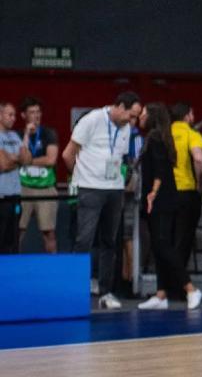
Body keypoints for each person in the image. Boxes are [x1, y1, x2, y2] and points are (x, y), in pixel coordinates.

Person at [64, 91, 142, 309]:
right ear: (119, 106)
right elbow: (68, 154)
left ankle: (106, 293)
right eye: (131, 115)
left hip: (114, 191)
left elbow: (121, 158)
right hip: (90, 189)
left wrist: (122, 180)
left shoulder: (126, 128)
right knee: (84, 240)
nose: (132, 121)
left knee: (110, 242)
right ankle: (75, 291)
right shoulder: (91, 120)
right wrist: (80, 178)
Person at [137, 103, 201, 309]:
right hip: (164, 196)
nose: (140, 116)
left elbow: (160, 170)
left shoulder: (156, 138)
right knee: (158, 246)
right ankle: (161, 294)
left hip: (160, 198)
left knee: (163, 244)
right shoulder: (161, 137)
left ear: (152, 116)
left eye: (144, 113)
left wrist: (152, 194)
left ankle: (190, 288)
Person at [17, 97, 61, 254]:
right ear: (23, 115)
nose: (36, 116)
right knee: (18, 232)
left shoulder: (49, 133)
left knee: (49, 233)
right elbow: (19, 157)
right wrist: (27, 136)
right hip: (23, 188)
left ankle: (53, 269)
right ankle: (12, 270)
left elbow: (51, 159)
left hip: (45, 189)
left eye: (38, 112)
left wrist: (27, 161)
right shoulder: (17, 135)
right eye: (31, 112)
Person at [167, 103, 202, 275]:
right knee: (184, 238)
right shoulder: (192, 134)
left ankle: (165, 282)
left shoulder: (164, 134)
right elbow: (198, 159)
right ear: (187, 116)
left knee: (167, 238)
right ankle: (180, 281)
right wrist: (199, 182)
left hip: (165, 193)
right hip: (186, 191)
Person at [0, 102, 19, 255]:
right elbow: (3, 165)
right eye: (10, 114)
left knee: (12, 239)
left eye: (14, 114)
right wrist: (17, 160)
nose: (14, 118)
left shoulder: (14, 136)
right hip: (2, 196)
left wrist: (25, 135)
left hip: (16, 196)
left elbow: (28, 159)